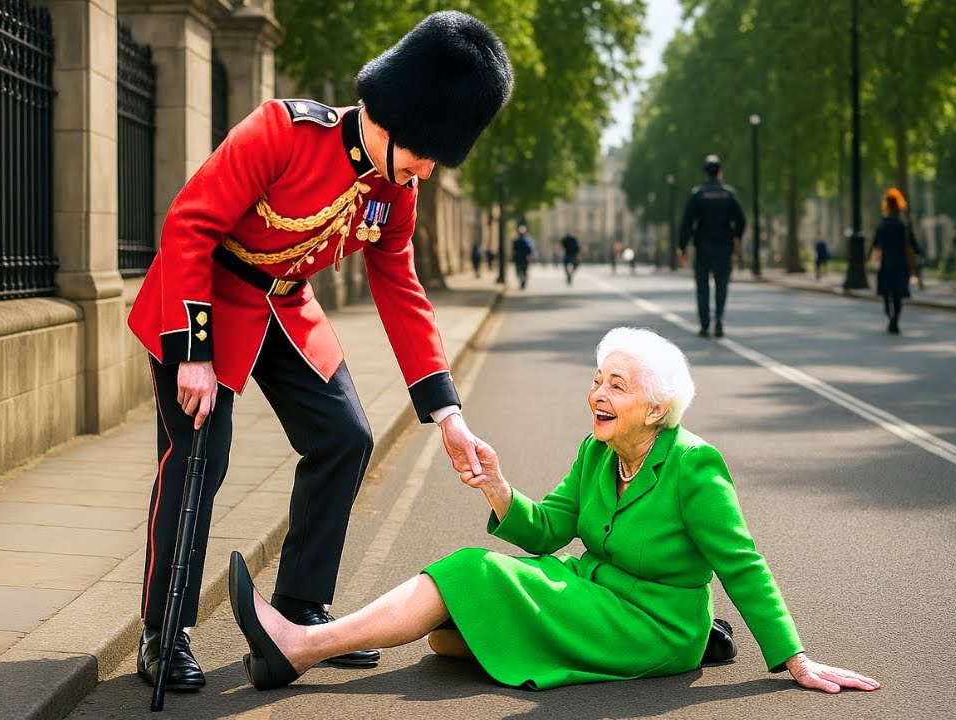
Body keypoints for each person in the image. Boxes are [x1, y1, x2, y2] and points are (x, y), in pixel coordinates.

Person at [125, 10, 513, 692]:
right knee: (198, 460)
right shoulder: (284, 129)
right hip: (205, 298)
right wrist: (192, 353)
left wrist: (448, 416)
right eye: (425, 150)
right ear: (393, 116)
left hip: (284, 302)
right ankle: (163, 631)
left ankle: (302, 614)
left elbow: (400, 287)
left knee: (346, 437)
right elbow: (189, 225)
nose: (426, 168)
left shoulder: (396, 189)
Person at [229, 327, 882, 696]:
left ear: (657, 410)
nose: (596, 393)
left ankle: (301, 646)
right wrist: (496, 487)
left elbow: (743, 566)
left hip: (653, 622)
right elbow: (546, 533)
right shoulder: (597, 452)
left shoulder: (695, 466)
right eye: (598, 379)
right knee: (443, 636)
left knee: (475, 573)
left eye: (615, 387)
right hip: (588, 590)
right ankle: (309, 644)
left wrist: (794, 658)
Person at [677, 154, 746, 338]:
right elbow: (741, 220)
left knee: (703, 287)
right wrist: (737, 238)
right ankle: (719, 321)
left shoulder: (698, 194)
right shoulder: (729, 194)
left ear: (705, 173)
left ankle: (705, 324)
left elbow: (687, 222)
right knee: (721, 286)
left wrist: (682, 246)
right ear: (720, 173)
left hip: (703, 246)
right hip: (724, 247)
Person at [870, 188, 923, 334]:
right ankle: (896, 319)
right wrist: (919, 255)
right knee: (898, 294)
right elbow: (914, 244)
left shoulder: (883, 225)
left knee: (887, 294)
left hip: (886, 264)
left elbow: (875, 244)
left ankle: (890, 317)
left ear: (886, 206)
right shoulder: (904, 225)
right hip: (901, 264)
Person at [512, 224, 537, 289]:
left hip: (521, 259)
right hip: (522, 259)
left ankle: (522, 282)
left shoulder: (519, 241)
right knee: (522, 271)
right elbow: (530, 250)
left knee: (521, 271)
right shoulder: (526, 241)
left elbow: (515, 250)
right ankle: (523, 282)